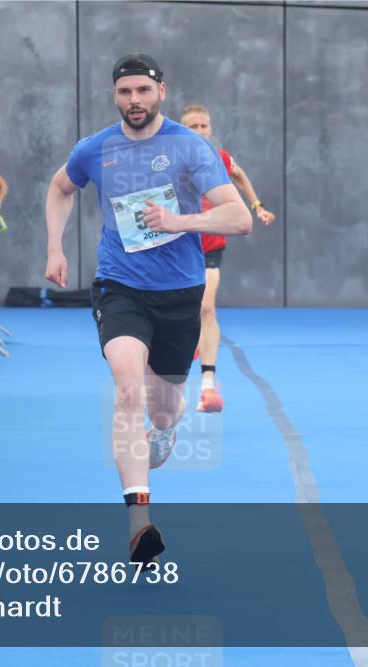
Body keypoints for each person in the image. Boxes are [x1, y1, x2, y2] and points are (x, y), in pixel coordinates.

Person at [44, 54, 251, 563]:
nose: (134, 100)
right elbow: (60, 187)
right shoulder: (95, 148)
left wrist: (179, 222)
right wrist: (54, 247)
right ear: (115, 96)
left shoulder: (189, 145)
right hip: (120, 286)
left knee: (163, 407)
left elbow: (239, 217)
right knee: (128, 388)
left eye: (142, 90)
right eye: (125, 92)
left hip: (179, 291)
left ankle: (165, 426)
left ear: (161, 91)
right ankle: (140, 523)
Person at [179, 104, 276, 412]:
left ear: (210, 129)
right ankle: (176, 376)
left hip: (211, 246)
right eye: (192, 127)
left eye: (203, 126)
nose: (199, 132)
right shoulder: (171, 159)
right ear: (182, 130)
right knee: (181, 315)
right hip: (178, 247)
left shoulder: (219, 158)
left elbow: (239, 174)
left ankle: (208, 386)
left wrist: (257, 206)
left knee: (206, 308)